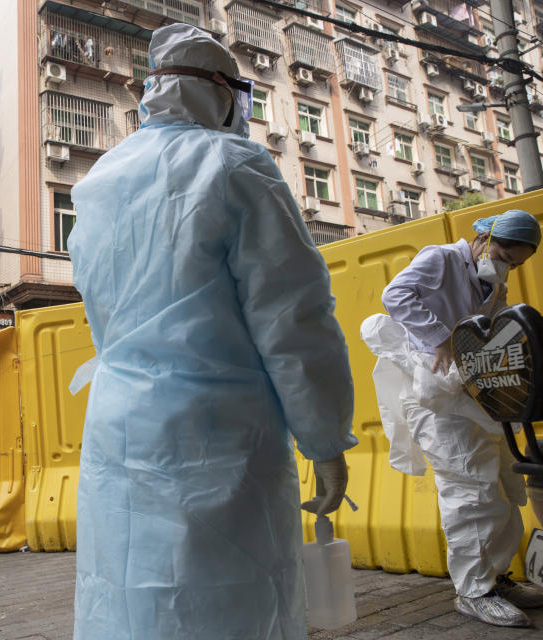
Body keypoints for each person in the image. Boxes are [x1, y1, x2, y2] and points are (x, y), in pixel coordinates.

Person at [66, 24, 358, 640]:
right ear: (221, 93)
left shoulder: (97, 182)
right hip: (219, 435)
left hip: (119, 427)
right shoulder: (235, 163)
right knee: (229, 600)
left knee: (128, 598)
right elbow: (293, 318)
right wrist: (325, 438)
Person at [368, 209, 543, 627]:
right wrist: (442, 338)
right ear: (485, 238)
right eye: (504, 254)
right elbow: (395, 295)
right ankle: (473, 591)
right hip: (433, 396)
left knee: (501, 487)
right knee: (470, 490)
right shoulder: (442, 258)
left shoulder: (492, 279)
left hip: (471, 394)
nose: (507, 266)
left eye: (516, 263)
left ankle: (496, 577)